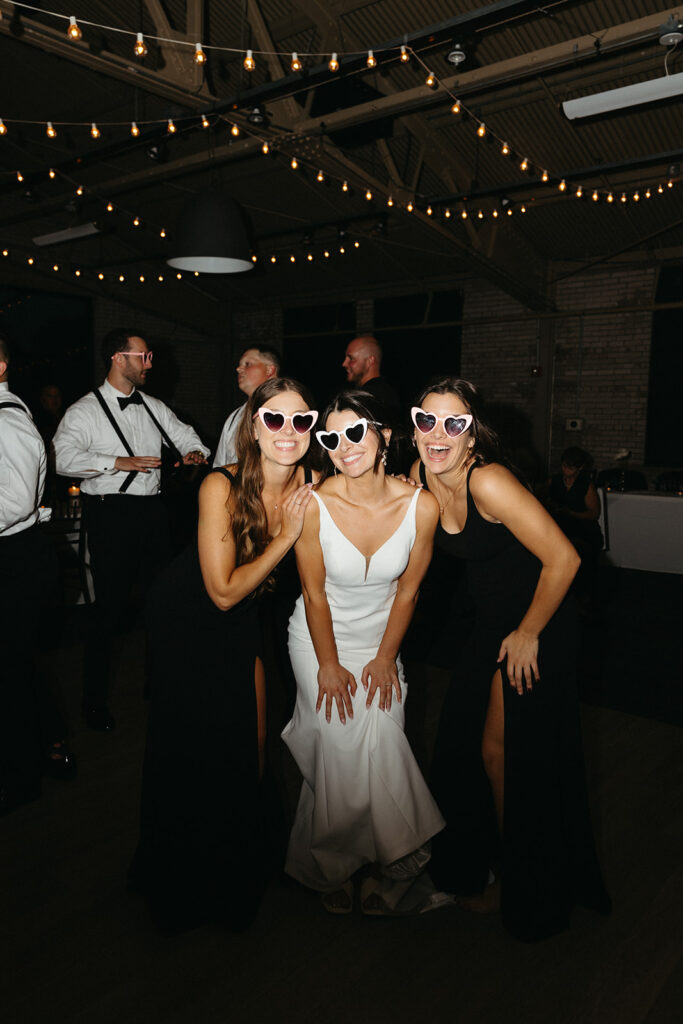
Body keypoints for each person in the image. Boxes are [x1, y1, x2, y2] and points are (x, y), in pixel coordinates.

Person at [409, 377, 611, 940]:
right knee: (458, 745)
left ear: (473, 435)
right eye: (427, 421)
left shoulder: (490, 481)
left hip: (538, 624)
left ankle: (524, 884)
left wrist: (527, 631)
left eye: (454, 423)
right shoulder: (420, 474)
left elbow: (565, 560)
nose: (438, 433)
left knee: (505, 756)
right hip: (492, 627)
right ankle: (485, 861)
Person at [130, 377, 317, 931]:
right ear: (253, 427)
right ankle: (185, 871)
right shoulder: (221, 485)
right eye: (274, 419)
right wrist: (286, 537)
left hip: (245, 619)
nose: (288, 430)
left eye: (300, 420)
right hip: (190, 615)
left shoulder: (312, 481)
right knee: (193, 737)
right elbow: (222, 590)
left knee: (254, 733)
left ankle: (246, 856)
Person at [283, 389, 445, 915]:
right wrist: (328, 664)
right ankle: (350, 865)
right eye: (331, 437)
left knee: (381, 734)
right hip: (318, 638)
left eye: (355, 431)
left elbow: (410, 591)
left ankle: (379, 863)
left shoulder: (422, 505)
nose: (343, 445)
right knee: (338, 740)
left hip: (382, 641)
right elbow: (312, 594)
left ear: (385, 437)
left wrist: (383, 658)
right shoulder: (315, 504)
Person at [53, 328, 209, 731]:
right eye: (144, 356)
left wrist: (195, 453)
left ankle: (159, 685)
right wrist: (118, 462)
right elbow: (62, 458)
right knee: (108, 611)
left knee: (162, 603)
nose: (149, 363)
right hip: (110, 514)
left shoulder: (154, 406)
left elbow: (189, 437)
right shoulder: (83, 410)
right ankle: (93, 701)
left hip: (153, 514)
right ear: (119, 359)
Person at [0, 335, 73, 813]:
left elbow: (15, 502)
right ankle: (49, 743)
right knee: (16, 665)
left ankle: (21, 778)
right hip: (14, 555)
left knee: (9, 670)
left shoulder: (9, 422)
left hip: (16, 559)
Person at [545, 446, 603, 598]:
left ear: (580, 468)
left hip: (582, 527)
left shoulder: (586, 484)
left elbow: (593, 513)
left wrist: (570, 513)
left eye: (570, 468)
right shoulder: (554, 481)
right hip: (560, 526)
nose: (565, 470)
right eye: (564, 466)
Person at [213, 346, 280, 467]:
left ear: (270, 370)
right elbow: (220, 465)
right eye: (239, 365)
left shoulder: (287, 411)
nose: (239, 369)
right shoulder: (234, 417)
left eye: (248, 364)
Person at [341, 335, 399, 422]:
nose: (344, 364)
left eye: (351, 358)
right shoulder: (387, 392)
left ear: (370, 361)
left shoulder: (368, 397)